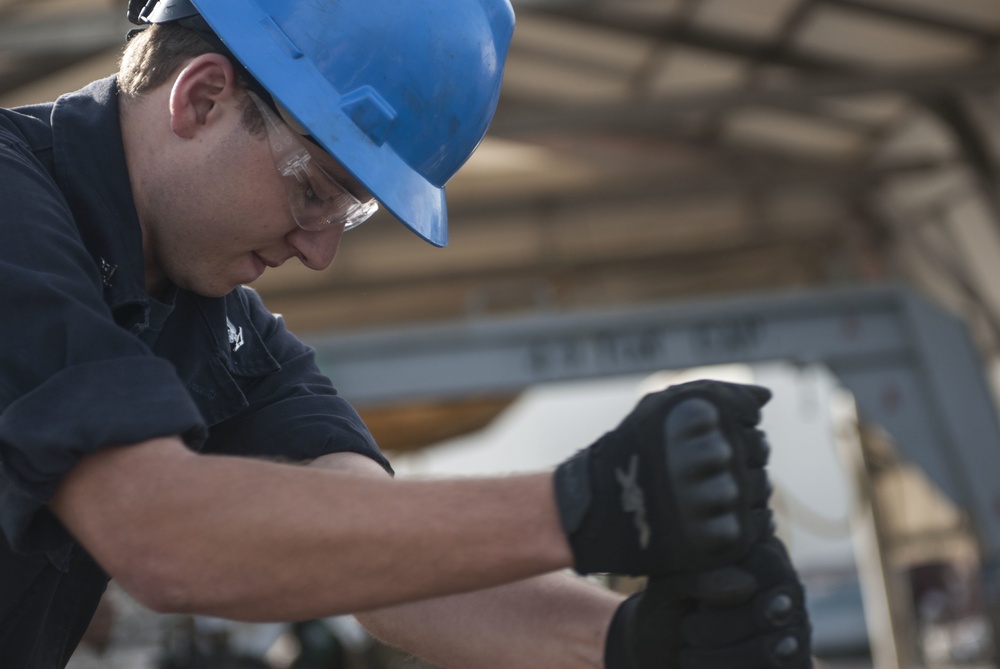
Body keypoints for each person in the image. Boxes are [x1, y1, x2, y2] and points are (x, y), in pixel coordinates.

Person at [0, 1, 812, 667]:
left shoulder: (215, 325)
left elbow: (378, 562)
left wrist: (626, 642)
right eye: (317, 190)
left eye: (350, 212)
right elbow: (152, 528)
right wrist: (588, 503)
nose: (319, 251)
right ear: (202, 98)